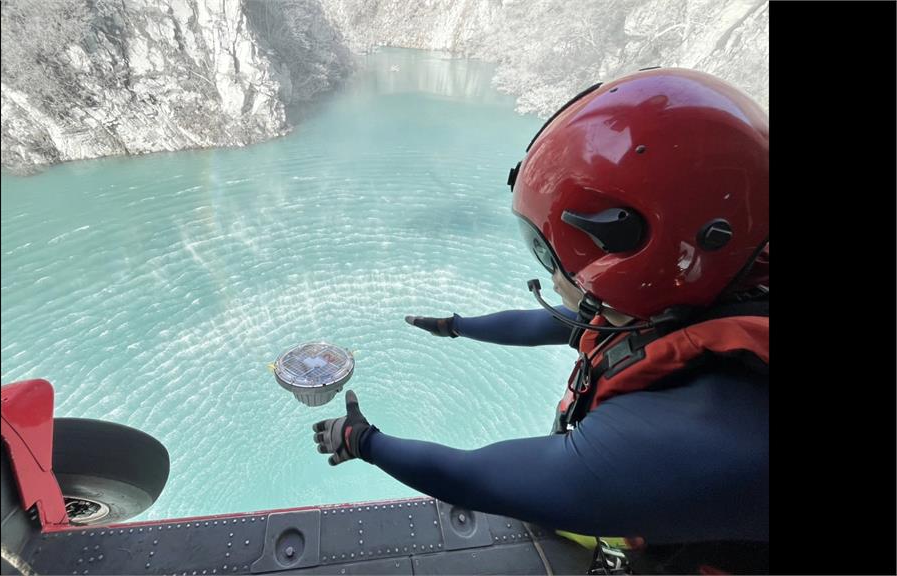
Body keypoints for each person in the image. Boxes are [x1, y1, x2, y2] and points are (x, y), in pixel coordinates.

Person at [312, 67, 769, 574]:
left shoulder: (685, 439)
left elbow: (473, 477)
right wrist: (457, 325)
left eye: (550, 255)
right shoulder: (705, 295)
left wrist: (363, 441)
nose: (554, 278)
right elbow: (559, 325)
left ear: (639, 250)